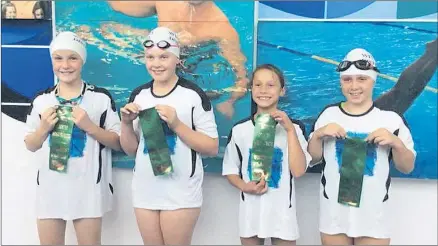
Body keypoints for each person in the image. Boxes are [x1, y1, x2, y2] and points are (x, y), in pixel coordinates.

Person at [119, 27, 219, 245]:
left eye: (164, 56)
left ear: (177, 60)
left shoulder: (193, 96)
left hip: (181, 191)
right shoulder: (139, 95)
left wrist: (176, 124)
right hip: (145, 189)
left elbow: (211, 147)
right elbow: (131, 149)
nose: (157, 63)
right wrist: (126, 124)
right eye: (150, 57)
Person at [307, 48, 416, 245]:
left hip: (373, 218)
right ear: (341, 82)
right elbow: (313, 158)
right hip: (334, 215)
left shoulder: (391, 120)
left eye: (362, 79)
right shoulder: (328, 115)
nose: (354, 86)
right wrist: (318, 135)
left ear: (373, 80)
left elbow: (407, 167)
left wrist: (396, 143)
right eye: (347, 79)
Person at [24, 31, 121, 245]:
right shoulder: (42, 100)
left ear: (82, 61)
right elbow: (31, 144)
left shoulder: (100, 99)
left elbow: (118, 142)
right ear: (52, 61)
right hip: (50, 188)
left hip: (88, 189)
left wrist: (90, 127)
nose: (65, 65)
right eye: (58, 58)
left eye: (72, 58)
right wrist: (43, 129)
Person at [106, 0, 249, 118]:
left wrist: (230, 101)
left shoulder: (222, 29)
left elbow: (242, 77)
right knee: (107, 29)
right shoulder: (167, 3)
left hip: (191, 69)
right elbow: (117, 5)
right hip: (157, 58)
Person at [222, 64, 310, 245]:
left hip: (283, 215)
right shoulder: (240, 130)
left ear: (282, 90)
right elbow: (230, 169)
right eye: (258, 84)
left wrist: (290, 131)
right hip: (250, 214)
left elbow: (299, 170)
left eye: (270, 85)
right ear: (251, 88)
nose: (263, 90)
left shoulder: (296, 128)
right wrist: (244, 186)